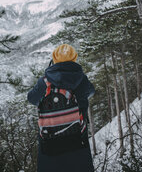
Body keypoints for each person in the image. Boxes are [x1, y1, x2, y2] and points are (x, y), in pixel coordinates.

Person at [27, 44, 95, 172]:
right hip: (77, 138)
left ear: (54, 60)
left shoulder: (45, 82)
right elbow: (91, 92)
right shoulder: (82, 80)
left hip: (50, 141)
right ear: (74, 58)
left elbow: (31, 98)